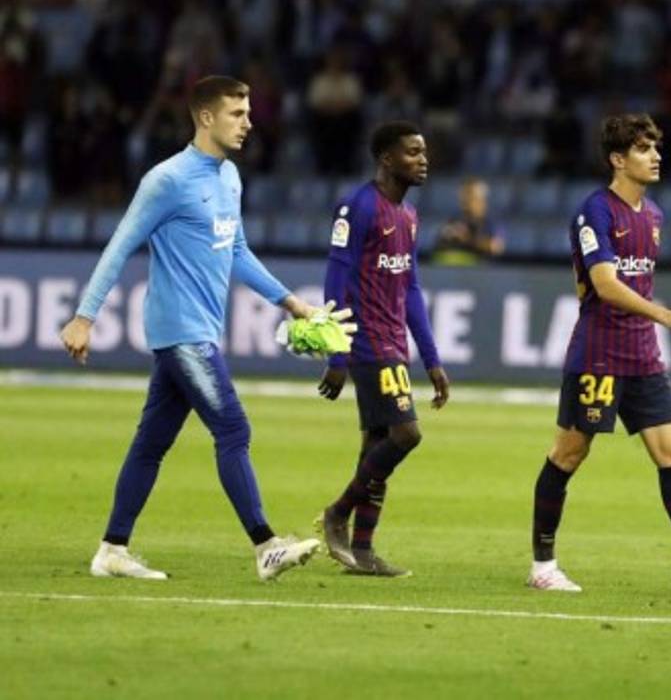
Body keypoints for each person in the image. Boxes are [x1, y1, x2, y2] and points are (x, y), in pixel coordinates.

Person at [59, 75, 332, 581]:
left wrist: (291, 302)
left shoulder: (229, 178)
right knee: (233, 427)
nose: (249, 123)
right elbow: (120, 244)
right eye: (237, 113)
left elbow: (236, 252)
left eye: (249, 113)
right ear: (206, 117)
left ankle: (112, 549)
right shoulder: (167, 180)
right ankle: (266, 545)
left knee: (151, 444)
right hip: (180, 330)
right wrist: (85, 315)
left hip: (199, 330)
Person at [528, 113, 671, 596]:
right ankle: (543, 565)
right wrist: (665, 315)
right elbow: (604, 285)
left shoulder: (653, 216)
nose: (656, 156)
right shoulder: (595, 211)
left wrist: (651, 324)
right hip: (598, 355)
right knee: (569, 453)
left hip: (642, 356)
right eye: (643, 148)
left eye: (656, 146)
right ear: (618, 159)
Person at [315, 121, 451, 576]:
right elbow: (336, 279)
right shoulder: (358, 207)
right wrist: (337, 352)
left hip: (394, 341)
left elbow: (410, 289)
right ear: (387, 159)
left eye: (424, 152)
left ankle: (364, 551)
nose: (423, 160)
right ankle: (337, 513)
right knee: (405, 435)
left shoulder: (408, 217)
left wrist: (431, 359)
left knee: (377, 444)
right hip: (367, 340)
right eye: (413, 152)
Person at [432, 176, 505, 265]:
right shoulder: (455, 219)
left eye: (469, 196)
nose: (465, 202)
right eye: (463, 197)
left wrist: (468, 239)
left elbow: (496, 247)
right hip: (453, 271)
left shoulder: (491, 221)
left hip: (483, 271)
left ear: (481, 199)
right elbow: (439, 242)